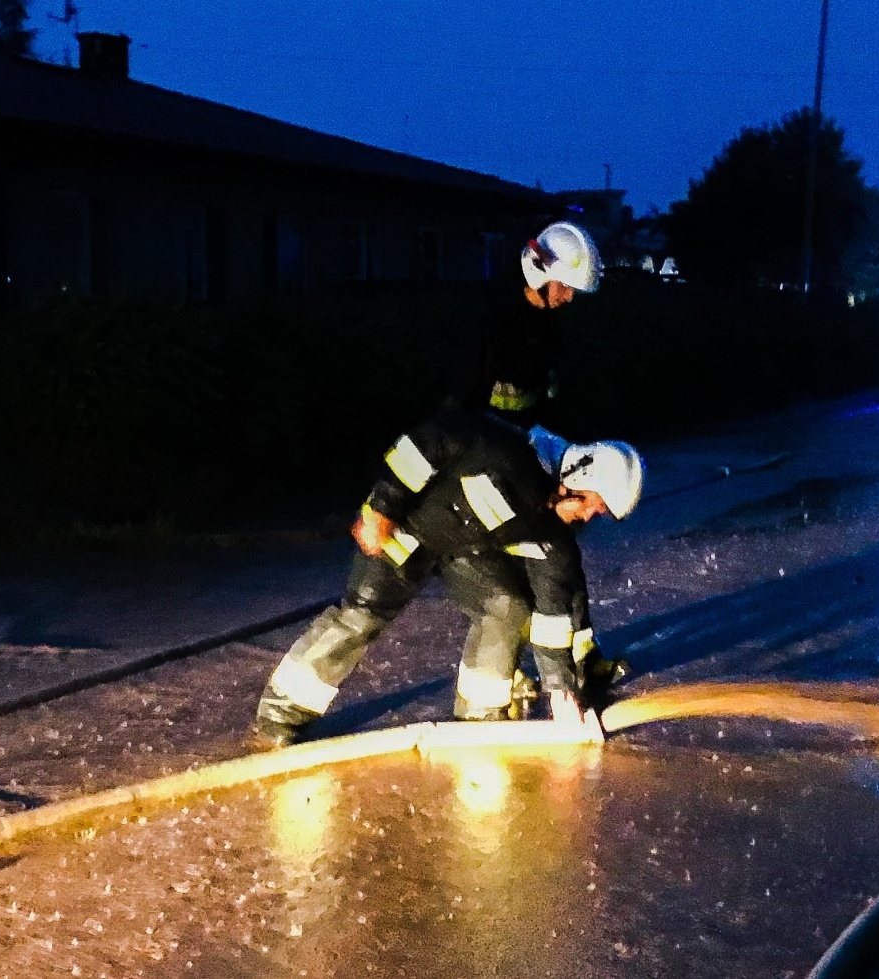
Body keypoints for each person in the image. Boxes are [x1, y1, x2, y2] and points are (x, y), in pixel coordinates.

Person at [248, 409, 644, 750]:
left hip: (466, 553)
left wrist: (561, 691)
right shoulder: (500, 449)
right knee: (361, 616)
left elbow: (554, 612)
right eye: (595, 505)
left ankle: (479, 719)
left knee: (508, 608)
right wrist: (380, 508)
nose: (591, 516)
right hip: (405, 530)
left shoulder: (553, 535)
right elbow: (421, 445)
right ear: (577, 477)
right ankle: (280, 716)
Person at [476, 221, 602, 427]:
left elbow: (549, 397)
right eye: (564, 286)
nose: (569, 297)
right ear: (539, 272)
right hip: (490, 443)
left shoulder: (550, 328)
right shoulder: (496, 321)